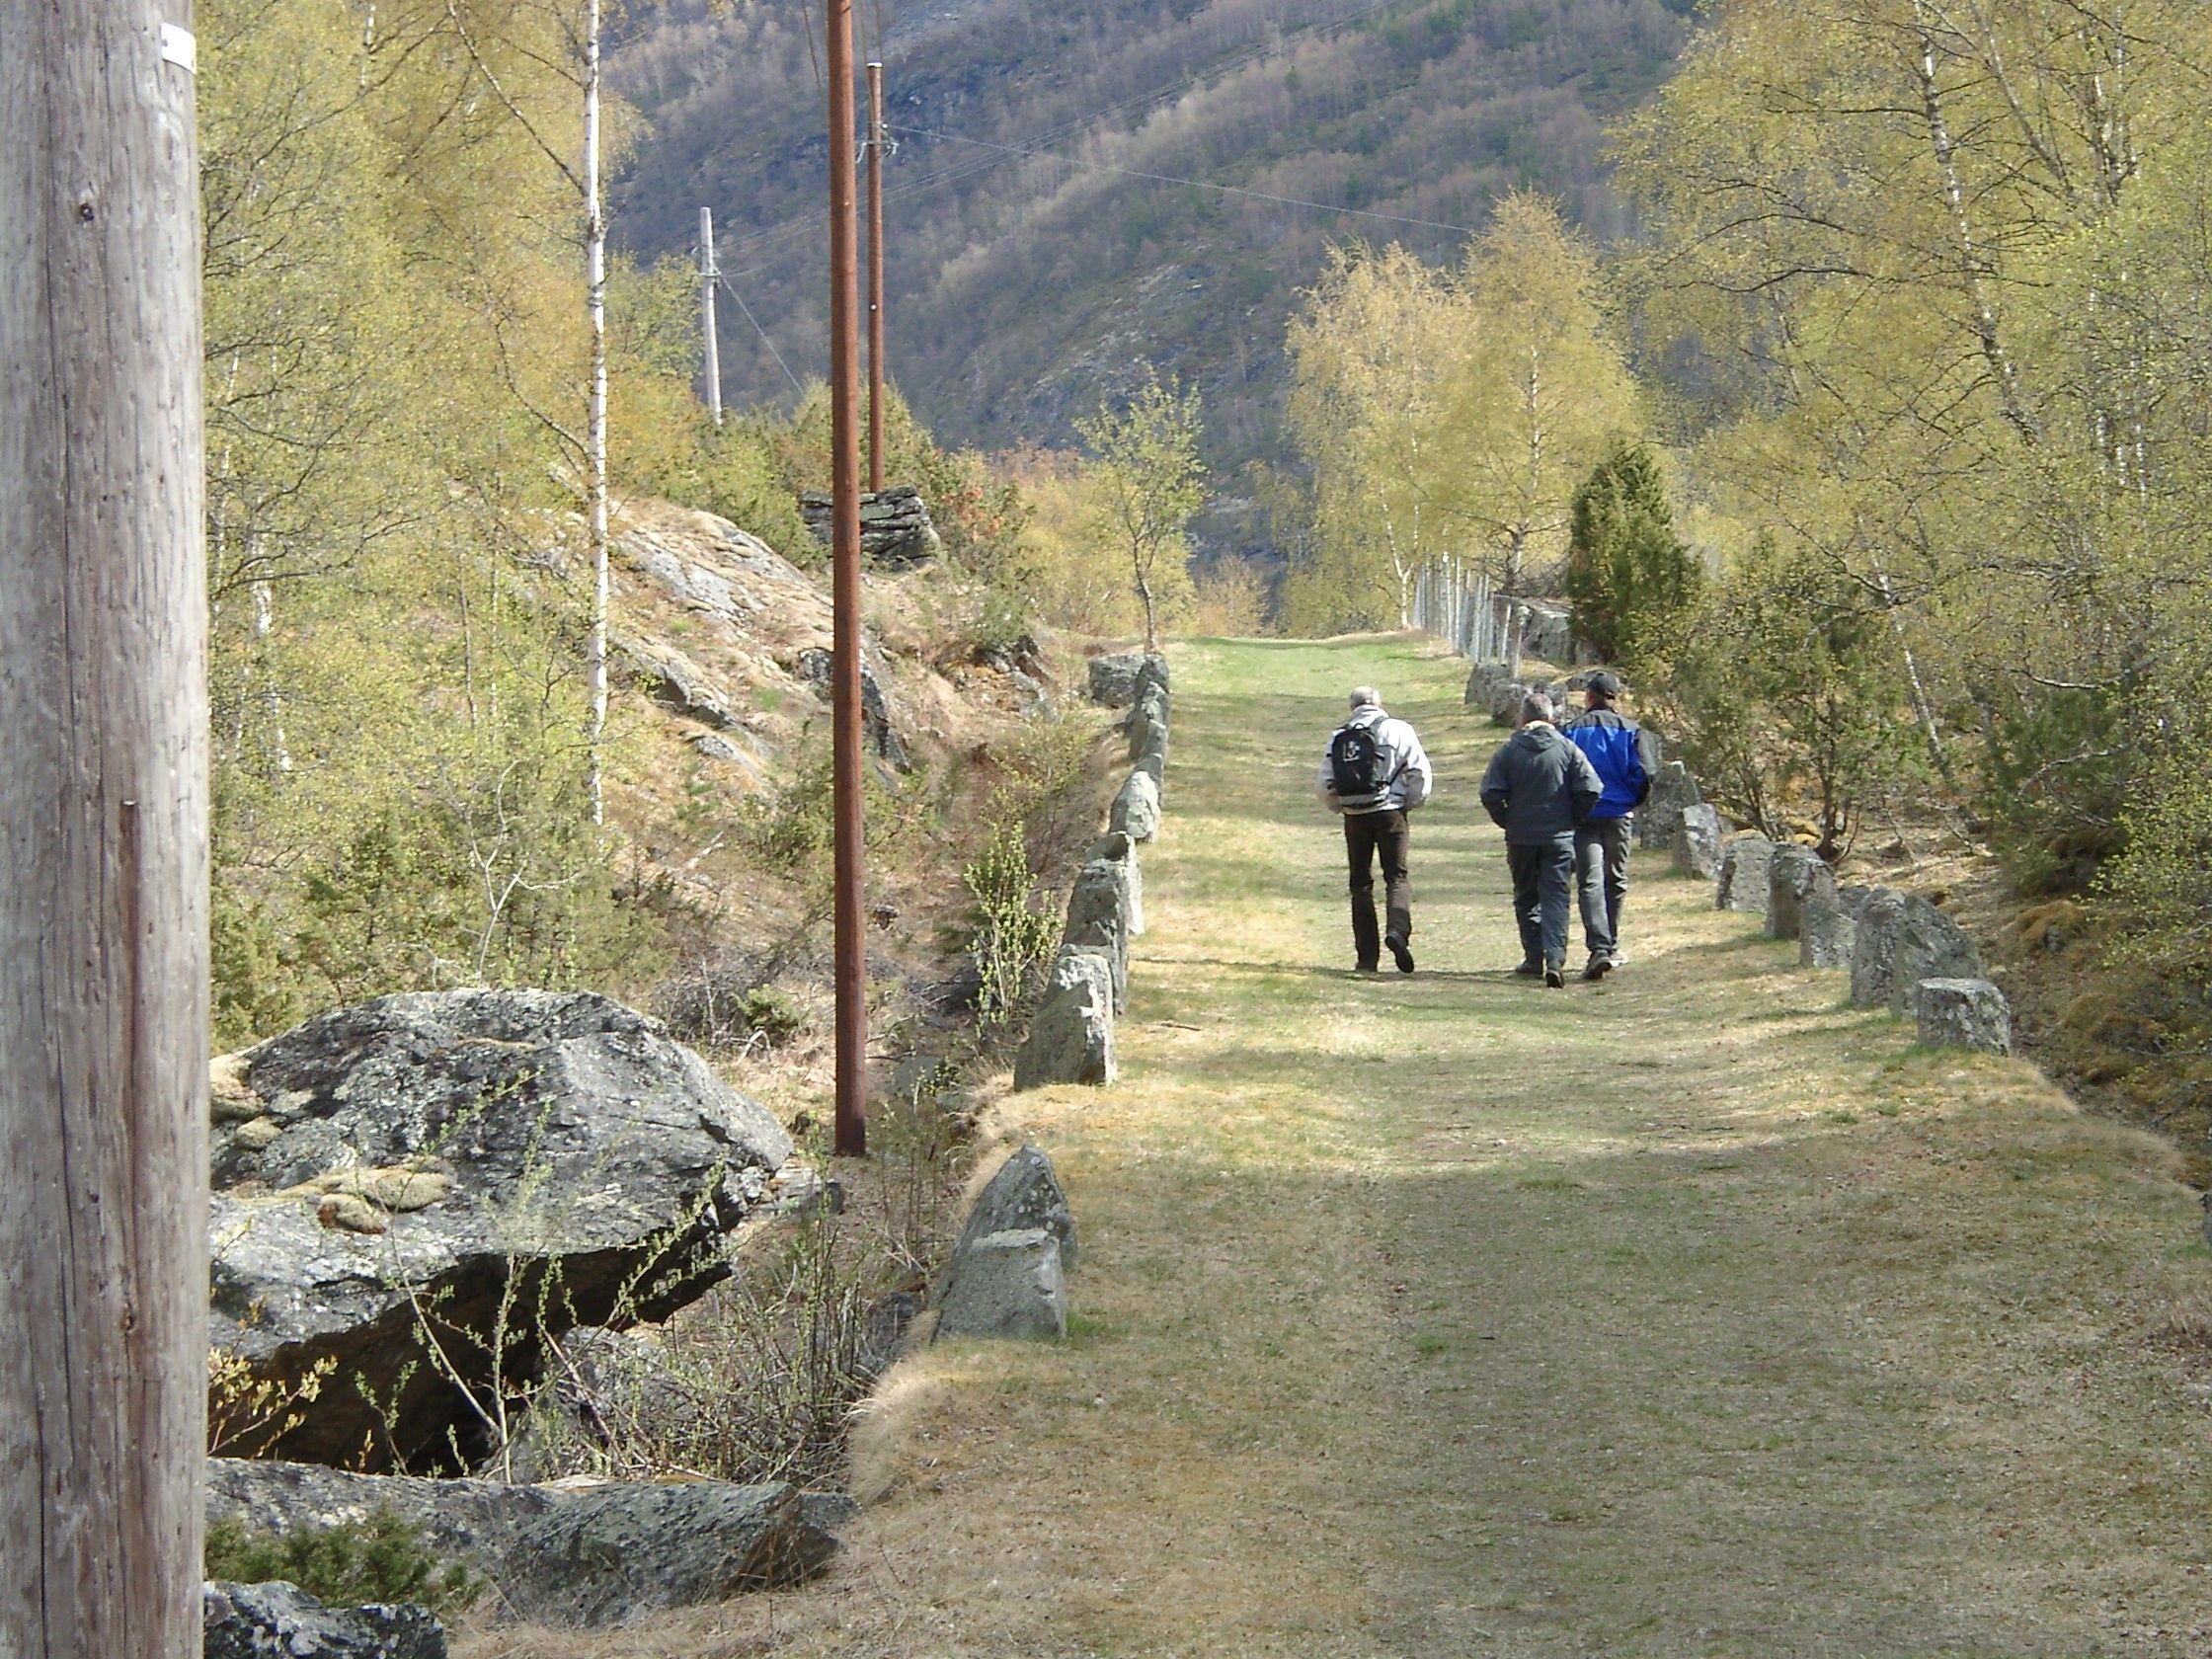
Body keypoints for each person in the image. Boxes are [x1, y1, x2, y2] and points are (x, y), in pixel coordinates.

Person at [1479, 689, 1603, 988]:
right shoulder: (1567, 749)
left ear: (1523, 718)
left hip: (1521, 836)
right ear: (1551, 717)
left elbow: (1490, 792)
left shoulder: (1509, 751)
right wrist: (1572, 819)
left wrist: (1507, 821)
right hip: (1558, 836)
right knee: (1556, 897)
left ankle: (1534, 956)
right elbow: (1591, 789)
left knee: (1526, 895)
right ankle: (1556, 960)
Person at [1318, 686, 1433, 975]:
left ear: (1352, 707)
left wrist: (1340, 807)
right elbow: (1420, 772)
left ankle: (1366, 959)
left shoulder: (1339, 736)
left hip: (1355, 816)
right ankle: (1397, 930)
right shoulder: (1399, 729)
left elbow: (1324, 783)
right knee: (1396, 876)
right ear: (1380, 704)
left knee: (1360, 884)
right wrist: (1409, 802)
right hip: (1391, 813)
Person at [1563, 671, 1656, 981]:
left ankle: (1598, 947)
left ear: (1589, 697)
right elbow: (1645, 773)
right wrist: (1631, 801)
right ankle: (1611, 943)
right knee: (1615, 879)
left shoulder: (1571, 731)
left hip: (1584, 815)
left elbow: (1564, 772)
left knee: (1589, 881)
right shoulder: (1632, 731)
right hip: (1618, 813)